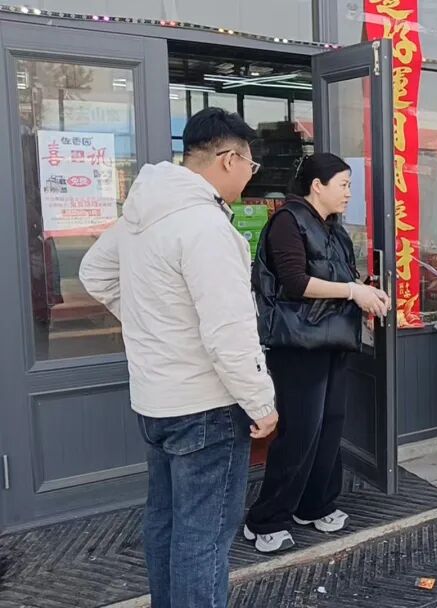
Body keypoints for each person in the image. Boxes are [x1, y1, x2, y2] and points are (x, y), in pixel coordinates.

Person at [79, 107, 278, 608]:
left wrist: (157, 323)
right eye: (250, 166)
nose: (249, 177)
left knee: (165, 521)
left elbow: (93, 274)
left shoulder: (143, 213)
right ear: (229, 159)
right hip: (206, 405)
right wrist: (262, 403)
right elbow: (229, 333)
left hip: (155, 400)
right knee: (203, 537)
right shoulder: (206, 226)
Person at [244, 153, 390, 553]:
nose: (349, 193)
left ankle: (315, 504)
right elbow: (295, 282)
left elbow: (342, 280)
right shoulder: (287, 222)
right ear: (317, 186)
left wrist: (366, 290)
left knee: (329, 427)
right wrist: (353, 291)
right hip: (297, 345)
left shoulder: (333, 229)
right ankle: (265, 519)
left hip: (334, 339)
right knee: (301, 431)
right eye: (343, 184)